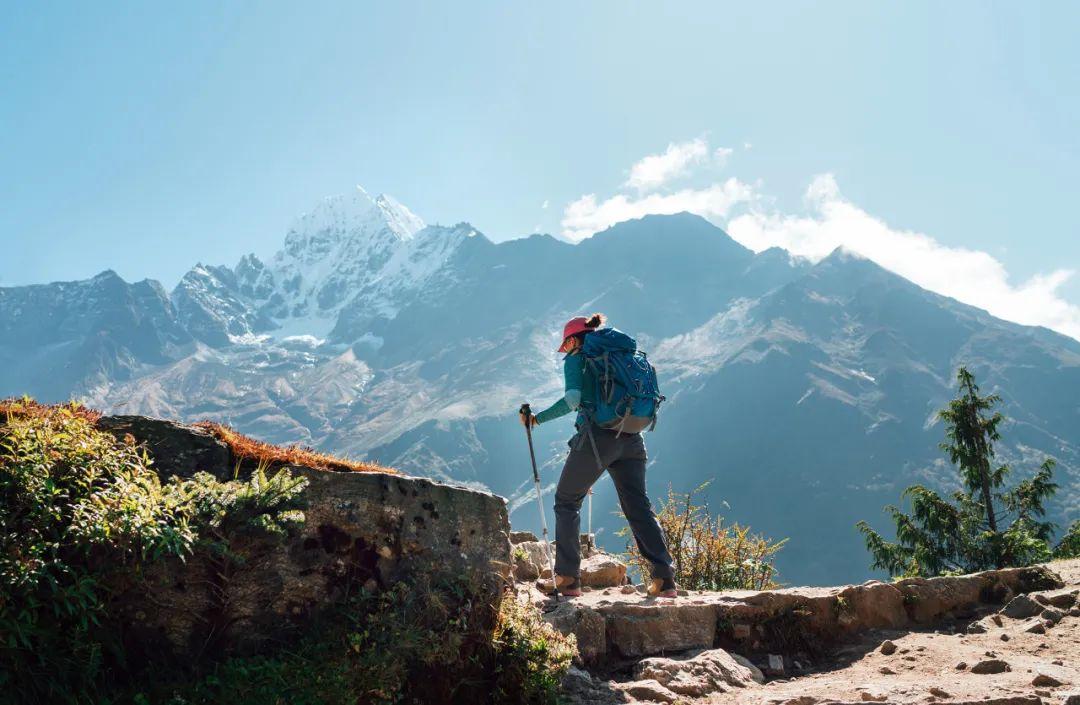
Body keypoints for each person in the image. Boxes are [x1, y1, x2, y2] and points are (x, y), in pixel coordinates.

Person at [520, 313, 677, 598]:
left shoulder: (578, 359)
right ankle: (664, 580)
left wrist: (537, 419)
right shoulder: (622, 355)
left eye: (565, 345)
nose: (564, 351)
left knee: (566, 501)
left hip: (597, 438)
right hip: (631, 436)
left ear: (573, 340)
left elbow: (573, 401)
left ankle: (567, 579)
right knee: (638, 507)